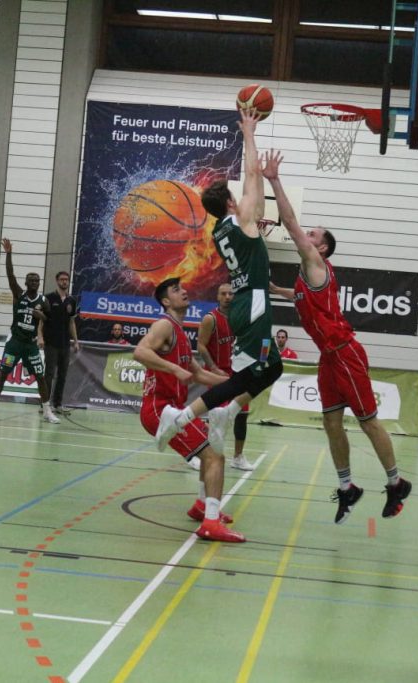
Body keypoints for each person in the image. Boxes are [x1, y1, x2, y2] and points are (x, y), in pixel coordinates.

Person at [264, 155, 411, 524]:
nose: (306, 236)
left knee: (367, 421)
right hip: (328, 358)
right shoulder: (304, 279)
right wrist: (273, 288)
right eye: (309, 233)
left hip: (347, 352)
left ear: (322, 249)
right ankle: (348, 488)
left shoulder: (316, 263)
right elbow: (297, 296)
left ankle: (397, 482)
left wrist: (274, 181)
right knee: (331, 422)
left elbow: (291, 222)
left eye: (313, 235)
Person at [154, 111, 284, 454]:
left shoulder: (221, 230)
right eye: (235, 196)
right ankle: (183, 417)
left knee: (273, 367)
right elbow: (253, 174)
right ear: (229, 202)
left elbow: (252, 183)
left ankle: (227, 411)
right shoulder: (241, 221)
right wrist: (250, 133)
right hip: (253, 306)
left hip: (247, 306)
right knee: (244, 378)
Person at [135, 277, 245, 542]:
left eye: (183, 288)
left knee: (210, 450)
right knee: (215, 456)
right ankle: (210, 522)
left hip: (174, 409)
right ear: (165, 301)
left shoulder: (181, 332)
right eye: (176, 290)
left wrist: (238, 382)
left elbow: (200, 375)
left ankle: (201, 506)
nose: (183, 292)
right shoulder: (164, 324)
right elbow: (140, 352)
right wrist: (174, 368)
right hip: (160, 411)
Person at [0, 239, 56, 423]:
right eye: (30, 280)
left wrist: (42, 317)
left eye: (36, 280)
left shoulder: (44, 301)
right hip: (15, 342)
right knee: (3, 374)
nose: (33, 282)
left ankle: (47, 411)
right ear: (26, 283)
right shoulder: (19, 294)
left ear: (39, 283)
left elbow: (51, 320)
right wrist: (8, 254)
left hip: (30, 345)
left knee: (40, 377)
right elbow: (10, 275)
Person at [198, 282, 259, 471]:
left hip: (239, 374)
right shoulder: (211, 319)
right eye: (223, 294)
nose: (227, 297)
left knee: (242, 416)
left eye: (230, 294)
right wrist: (214, 367)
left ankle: (238, 457)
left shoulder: (241, 318)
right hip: (219, 375)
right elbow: (201, 345)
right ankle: (207, 455)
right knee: (216, 418)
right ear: (217, 297)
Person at [44, 270, 80, 416]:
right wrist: (40, 337)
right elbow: (42, 320)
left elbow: (72, 322)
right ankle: (45, 404)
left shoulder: (71, 300)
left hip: (65, 343)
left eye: (66, 279)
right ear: (57, 281)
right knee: (49, 374)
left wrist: (75, 341)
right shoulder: (48, 298)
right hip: (51, 342)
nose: (64, 282)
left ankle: (58, 404)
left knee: (62, 375)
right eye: (62, 279)